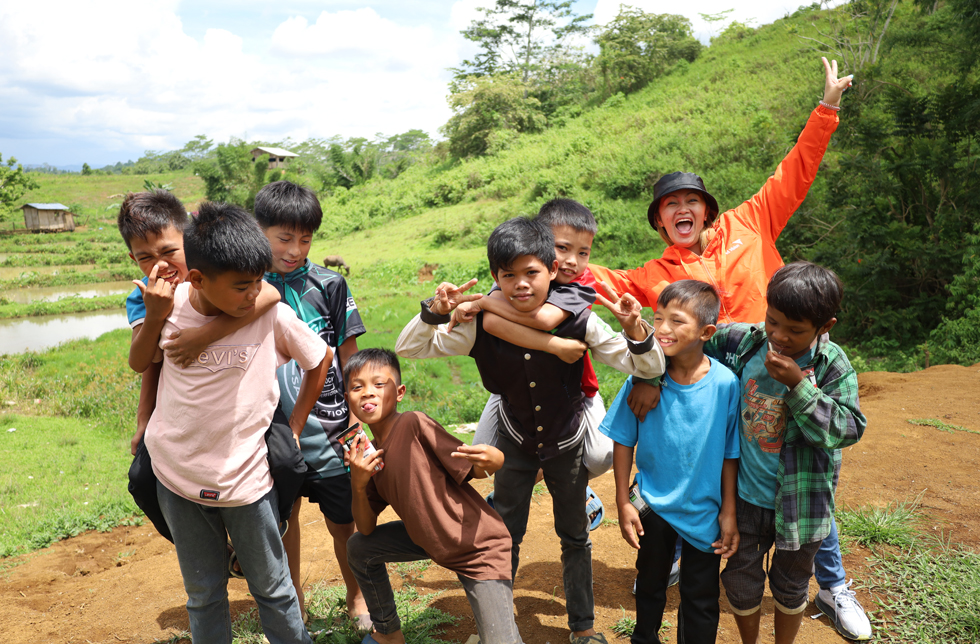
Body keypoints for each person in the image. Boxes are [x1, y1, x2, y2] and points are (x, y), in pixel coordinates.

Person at [590, 58, 871, 639]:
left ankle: (834, 586)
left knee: (803, 475)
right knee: (738, 484)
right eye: (670, 205)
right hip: (719, 392)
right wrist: (540, 266)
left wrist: (827, 108)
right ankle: (684, 542)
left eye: (691, 200)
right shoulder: (655, 274)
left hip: (781, 366)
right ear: (660, 223)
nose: (682, 208)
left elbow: (796, 171)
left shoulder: (752, 221)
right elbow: (597, 280)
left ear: (708, 208)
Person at [395, 217, 666, 644]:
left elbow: (645, 365)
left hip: (568, 440)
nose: (521, 284)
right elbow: (409, 348)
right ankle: (498, 629)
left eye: (531, 273)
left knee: (575, 535)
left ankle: (584, 628)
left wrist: (635, 329)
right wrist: (435, 310)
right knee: (504, 533)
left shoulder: (579, 318)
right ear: (494, 278)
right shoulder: (477, 324)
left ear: (553, 272)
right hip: (514, 441)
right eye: (509, 276)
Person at [145, 201, 331, 643]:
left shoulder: (269, 312)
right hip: (177, 477)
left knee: (273, 589)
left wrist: (298, 424)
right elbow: (144, 364)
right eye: (242, 286)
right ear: (198, 279)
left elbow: (318, 358)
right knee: (203, 593)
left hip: (246, 481)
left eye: (259, 282)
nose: (255, 293)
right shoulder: (168, 312)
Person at [702, 262, 867, 644]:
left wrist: (798, 386)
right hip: (745, 498)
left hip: (803, 507)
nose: (779, 336)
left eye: (795, 330)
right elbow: (693, 337)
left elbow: (848, 428)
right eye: (773, 321)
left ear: (825, 326)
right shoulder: (745, 342)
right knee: (741, 580)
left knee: (791, 585)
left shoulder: (831, 365)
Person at [117, 191, 291, 545]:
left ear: (189, 240)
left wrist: (203, 336)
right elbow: (145, 362)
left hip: (244, 400)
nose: (160, 266)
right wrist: (143, 421)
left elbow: (270, 294)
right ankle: (210, 546)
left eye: (168, 252)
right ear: (132, 258)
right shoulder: (146, 296)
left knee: (287, 463)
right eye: (145, 258)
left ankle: (276, 526)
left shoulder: (218, 272)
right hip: (183, 408)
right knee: (143, 479)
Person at [344, 348, 523, 644]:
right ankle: (388, 633)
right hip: (431, 541)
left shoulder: (413, 423)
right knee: (359, 548)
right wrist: (359, 483)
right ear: (348, 398)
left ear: (399, 392)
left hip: (478, 548)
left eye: (378, 384)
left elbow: (469, 466)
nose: (367, 393)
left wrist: (494, 463)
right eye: (356, 387)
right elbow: (365, 528)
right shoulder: (371, 456)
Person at [254, 180, 370, 627]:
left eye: (305, 239)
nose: (295, 249)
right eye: (284, 238)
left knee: (344, 521)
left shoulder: (330, 284)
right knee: (284, 520)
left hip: (332, 426)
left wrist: (360, 418)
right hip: (268, 426)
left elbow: (350, 359)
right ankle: (294, 600)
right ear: (259, 231)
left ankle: (357, 596)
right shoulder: (244, 287)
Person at [601, 280, 740, 644]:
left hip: (703, 510)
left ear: (706, 332)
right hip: (652, 505)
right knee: (649, 583)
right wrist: (621, 500)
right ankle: (643, 637)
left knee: (702, 596)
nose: (662, 330)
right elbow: (622, 439)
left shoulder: (726, 384)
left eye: (677, 321)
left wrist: (728, 510)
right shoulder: (644, 379)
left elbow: (729, 452)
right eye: (658, 318)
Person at [462, 199, 612, 525]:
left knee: (600, 459)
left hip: (574, 391)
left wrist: (487, 302)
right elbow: (490, 325)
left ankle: (574, 488)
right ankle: (513, 489)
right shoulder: (516, 275)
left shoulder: (579, 286)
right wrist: (487, 307)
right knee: (481, 458)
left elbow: (543, 318)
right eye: (562, 247)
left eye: (583, 252)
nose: (572, 261)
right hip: (515, 390)